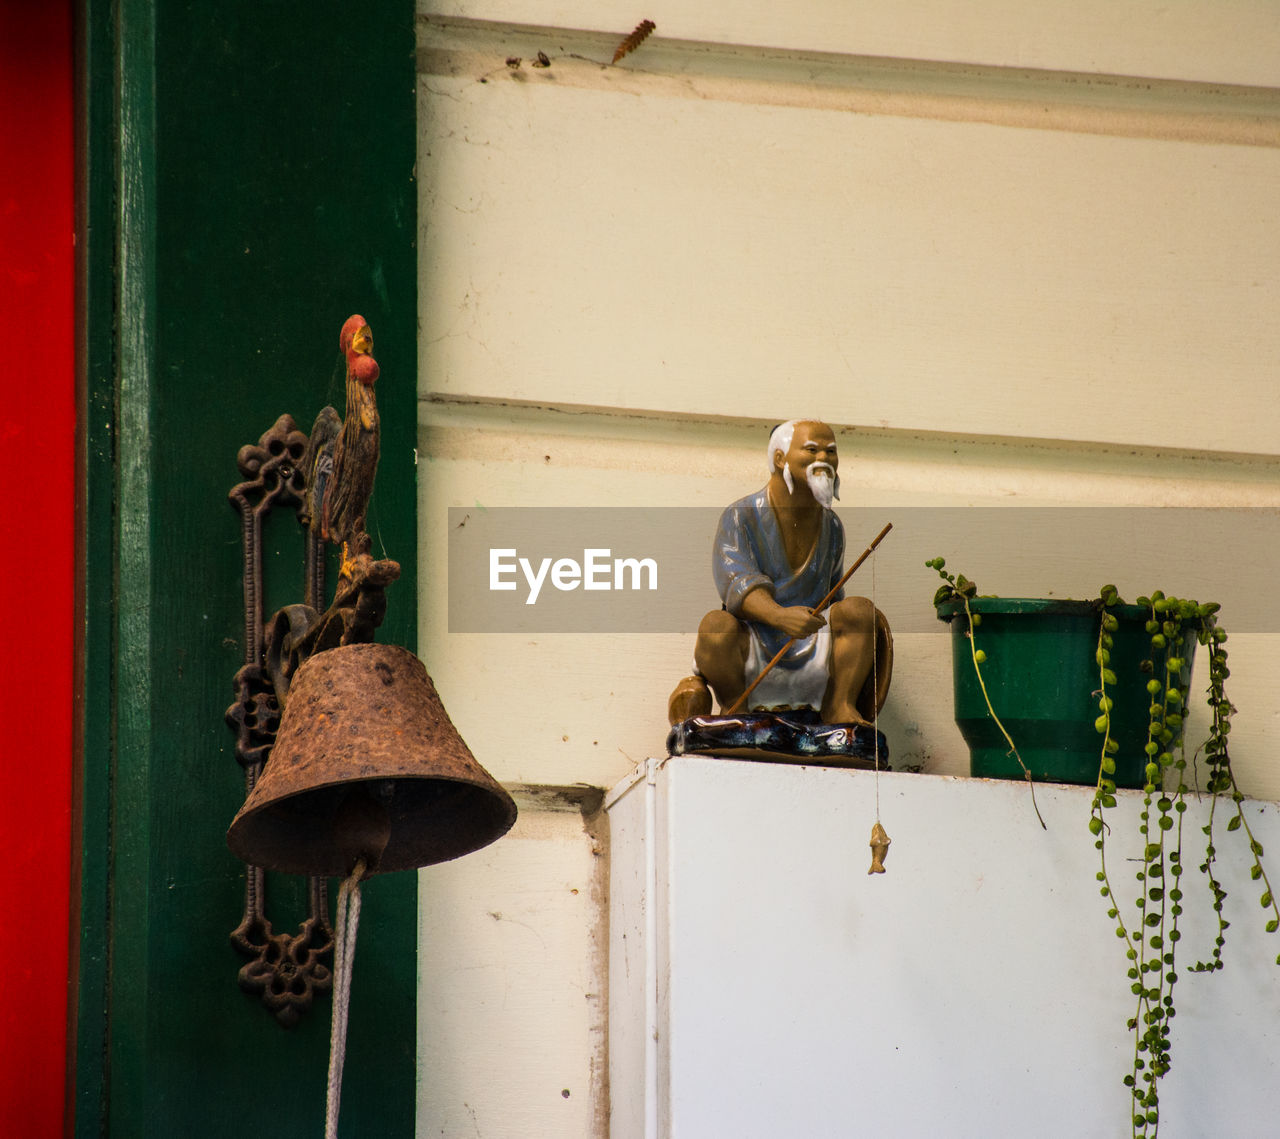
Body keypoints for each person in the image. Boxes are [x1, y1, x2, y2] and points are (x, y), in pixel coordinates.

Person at [668, 419, 891, 725]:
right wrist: (779, 616)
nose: (823, 459)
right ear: (780, 458)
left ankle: (839, 705)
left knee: (859, 610)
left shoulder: (833, 527)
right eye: (811, 450)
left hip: (812, 640)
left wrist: (820, 617)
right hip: (755, 640)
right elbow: (737, 583)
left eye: (830, 451)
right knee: (714, 627)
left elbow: (835, 597)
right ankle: (738, 707)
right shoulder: (741, 516)